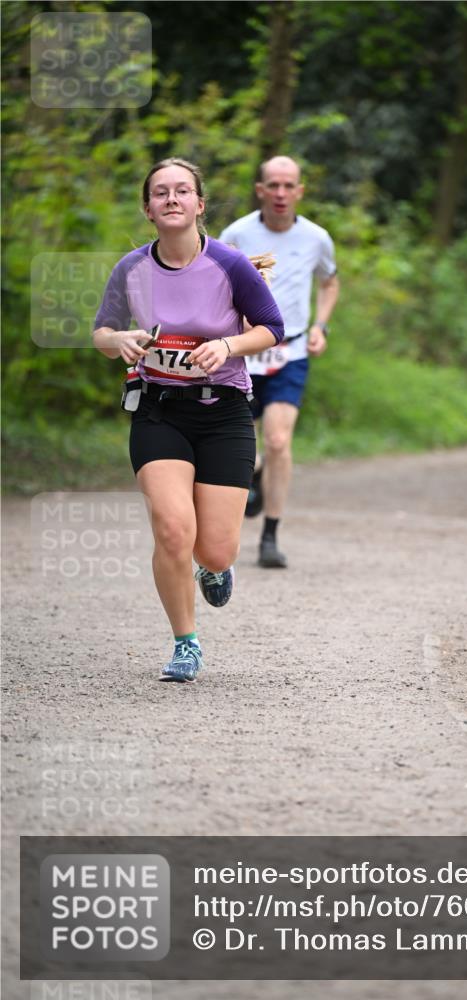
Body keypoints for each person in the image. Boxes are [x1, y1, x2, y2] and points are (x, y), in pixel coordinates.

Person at [93, 157, 284, 681]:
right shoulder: (131, 268)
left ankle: (215, 569)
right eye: (160, 192)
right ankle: (185, 642)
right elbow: (102, 334)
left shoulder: (230, 264)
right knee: (174, 529)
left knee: (215, 548)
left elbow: (272, 327)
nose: (171, 198)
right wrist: (119, 340)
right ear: (148, 209)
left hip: (222, 412)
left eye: (182, 191)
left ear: (200, 205)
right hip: (159, 411)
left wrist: (226, 344)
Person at [220, 155, 339, 568]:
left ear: (300, 191)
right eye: (274, 185)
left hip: (291, 352)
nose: (281, 193)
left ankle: (270, 535)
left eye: (289, 186)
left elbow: (330, 281)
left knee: (277, 441)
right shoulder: (236, 234)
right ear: (260, 190)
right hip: (242, 353)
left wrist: (321, 324)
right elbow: (214, 285)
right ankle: (251, 479)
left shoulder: (317, 238)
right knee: (237, 444)